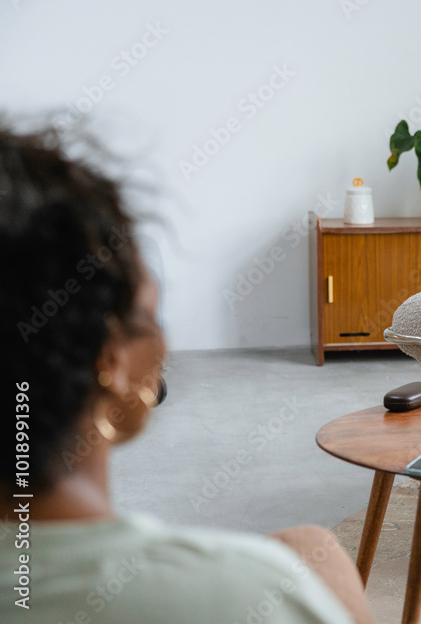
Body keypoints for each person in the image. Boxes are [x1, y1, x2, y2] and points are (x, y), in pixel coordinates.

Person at [0, 125, 372, 624]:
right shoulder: (246, 598)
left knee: (307, 544)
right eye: (149, 316)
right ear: (113, 363)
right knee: (313, 551)